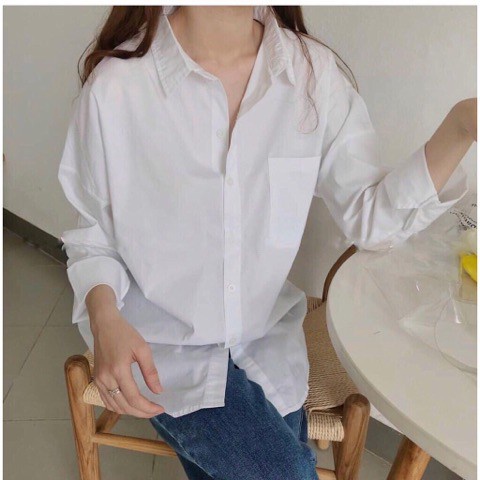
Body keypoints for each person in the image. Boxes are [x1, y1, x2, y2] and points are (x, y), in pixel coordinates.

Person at [57, 6, 476, 479]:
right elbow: (92, 234)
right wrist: (105, 319)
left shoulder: (312, 76)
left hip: (267, 345)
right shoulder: (117, 88)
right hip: (161, 350)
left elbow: (371, 221)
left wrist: (463, 125)